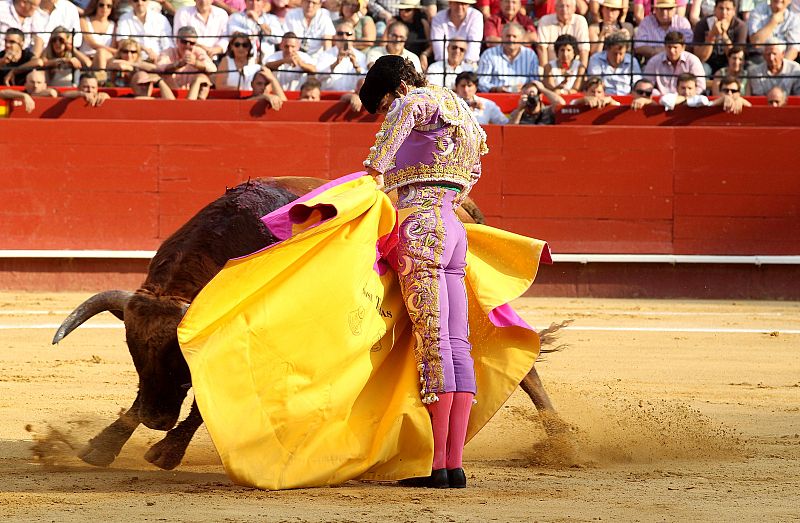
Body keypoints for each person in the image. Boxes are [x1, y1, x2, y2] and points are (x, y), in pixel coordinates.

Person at [359, 54, 488, 489]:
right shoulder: (461, 109)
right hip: (453, 226)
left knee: (433, 345)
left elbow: (396, 131)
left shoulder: (412, 102)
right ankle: (454, 465)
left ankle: (439, 466)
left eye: (381, 107)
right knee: (456, 344)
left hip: (420, 227)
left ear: (394, 88)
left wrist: (374, 174)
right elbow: (473, 170)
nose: (384, 115)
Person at [476, 22, 539, 92]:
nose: (511, 39)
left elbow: (535, 81)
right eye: (508, 36)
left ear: (521, 39)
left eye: (514, 36)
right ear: (502, 37)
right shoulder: (488, 54)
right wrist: (497, 89)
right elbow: (481, 82)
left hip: (522, 96)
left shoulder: (530, 55)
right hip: (496, 97)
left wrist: (526, 88)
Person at [691, 0, 746, 74]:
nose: (724, 13)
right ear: (714, 9)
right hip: (708, 63)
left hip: (728, 63)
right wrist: (712, 35)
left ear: (734, 11)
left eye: (728, 9)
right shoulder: (703, 24)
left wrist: (724, 34)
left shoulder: (740, 26)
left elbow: (736, 56)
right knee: (700, 70)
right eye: (721, 8)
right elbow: (700, 57)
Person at [643, 31, 706, 95]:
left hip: (687, 101)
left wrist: (685, 98)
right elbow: (647, 86)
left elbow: (701, 87)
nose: (672, 51)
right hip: (660, 100)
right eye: (669, 47)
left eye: (675, 47)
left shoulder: (693, 61)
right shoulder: (654, 61)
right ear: (664, 47)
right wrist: (662, 98)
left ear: (683, 47)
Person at [316, 20, 367, 90]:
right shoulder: (325, 54)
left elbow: (365, 80)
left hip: (352, 96)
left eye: (348, 34)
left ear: (354, 37)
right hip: (330, 96)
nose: (344, 37)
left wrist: (356, 65)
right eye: (340, 33)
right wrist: (336, 63)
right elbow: (317, 77)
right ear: (335, 37)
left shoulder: (361, 56)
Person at [586, 30, 641, 95]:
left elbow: (637, 85)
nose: (618, 57)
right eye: (615, 54)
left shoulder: (632, 61)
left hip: (627, 98)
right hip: (604, 98)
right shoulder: (596, 59)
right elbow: (594, 83)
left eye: (621, 54)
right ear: (607, 49)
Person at [536, 0, 590, 66]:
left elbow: (584, 50)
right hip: (551, 68)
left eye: (568, 6)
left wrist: (581, 73)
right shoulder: (545, 21)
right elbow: (542, 48)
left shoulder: (580, 21)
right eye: (561, 6)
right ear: (555, 8)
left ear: (574, 8)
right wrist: (545, 73)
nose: (564, 9)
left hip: (574, 69)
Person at [430, 0, 484, 65]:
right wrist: (448, 65)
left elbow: (474, 44)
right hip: (443, 64)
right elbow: (438, 45)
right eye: (457, 3)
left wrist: (466, 65)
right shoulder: (438, 17)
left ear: (468, 5)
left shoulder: (476, 16)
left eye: (463, 3)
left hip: (469, 64)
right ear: (450, 4)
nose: (460, 7)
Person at [78, 0, 117, 79]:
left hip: (106, 59)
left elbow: (112, 47)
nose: (105, 8)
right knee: (101, 52)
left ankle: (101, 80)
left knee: (101, 52)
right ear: (96, 5)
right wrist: (115, 51)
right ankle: (102, 81)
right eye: (101, 5)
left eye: (109, 6)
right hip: (86, 59)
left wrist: (102, 52)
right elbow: (91, 43)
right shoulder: (84, 21)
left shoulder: (114, 25)